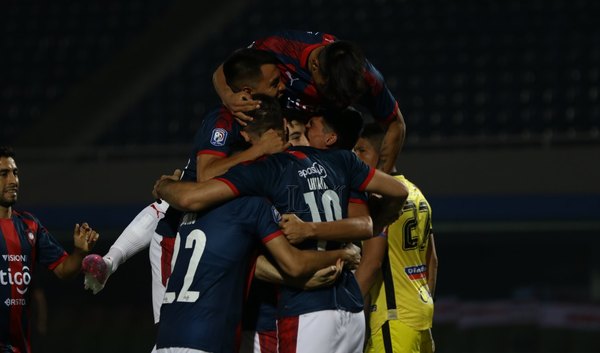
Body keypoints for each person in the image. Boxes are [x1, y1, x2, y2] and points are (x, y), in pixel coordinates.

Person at [153, 102, 409, 353]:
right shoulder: (342, 163)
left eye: (304, 132)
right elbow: (391, 199)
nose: (297, 139)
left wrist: (165, 185)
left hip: (301, 310)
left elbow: (193, 196)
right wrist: (353, 241)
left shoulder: (267, 172)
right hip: (350, 308)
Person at [82, 48, 288, 327]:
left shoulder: (266, 118)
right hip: (179, 234)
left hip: (213, 232)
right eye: (274, 83)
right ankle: (110, 261)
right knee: (173, 329)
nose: (283, 87)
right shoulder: (223, 121)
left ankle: (110, 262)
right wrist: (259, 150)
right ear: (249, 91)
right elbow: (207, 174)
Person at [212, 30, 406, 173]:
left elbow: (395, 124)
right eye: (329, 88)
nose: (333, 97)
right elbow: (225, 69)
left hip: (320, 157)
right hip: (270, 147)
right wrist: (228, 97)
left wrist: (382, 176)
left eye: (342, 95)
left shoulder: (367, 77)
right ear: (314, 65)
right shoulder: (280, 48)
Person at [0, 146, 99, 353]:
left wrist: (79, 252)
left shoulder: (29, 226)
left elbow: (64, 270)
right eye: (3, 174)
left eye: (15, 173)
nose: (13, 181)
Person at [353, 124, 438, 353]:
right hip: (420, 313)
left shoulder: (380, 199)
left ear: (382, 155)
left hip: (393, 316)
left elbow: (372, 263)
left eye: (362, 150)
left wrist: (343, 306)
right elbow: (432, 260)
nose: (355, 156)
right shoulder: (417, 194)